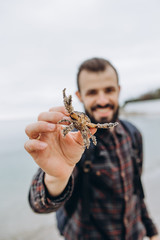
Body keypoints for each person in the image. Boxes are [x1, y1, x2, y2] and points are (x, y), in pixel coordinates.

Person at [24, 58, 159, 240]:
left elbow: (136, 192)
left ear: (118, 91)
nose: (102, 100)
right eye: (92, 92)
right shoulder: (70, 143)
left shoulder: (133, 134)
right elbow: (38, 204)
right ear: (79, 96)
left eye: (109, 90)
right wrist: (56, 177)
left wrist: (152, 231)